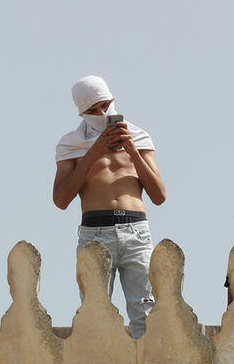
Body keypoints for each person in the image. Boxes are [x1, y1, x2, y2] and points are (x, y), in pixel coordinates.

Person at [53, 75, 166, 338]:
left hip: (136, 231)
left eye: (104, 106)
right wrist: (94, 152)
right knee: (95, 311)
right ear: (82, 113)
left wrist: (132, 151)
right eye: (93, 110)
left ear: (112, 101)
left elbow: (159, 195)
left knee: (145, 309)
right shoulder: (71, 144)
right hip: (95, 233)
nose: (102, 114)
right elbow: (61, 199)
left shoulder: (138, 137)